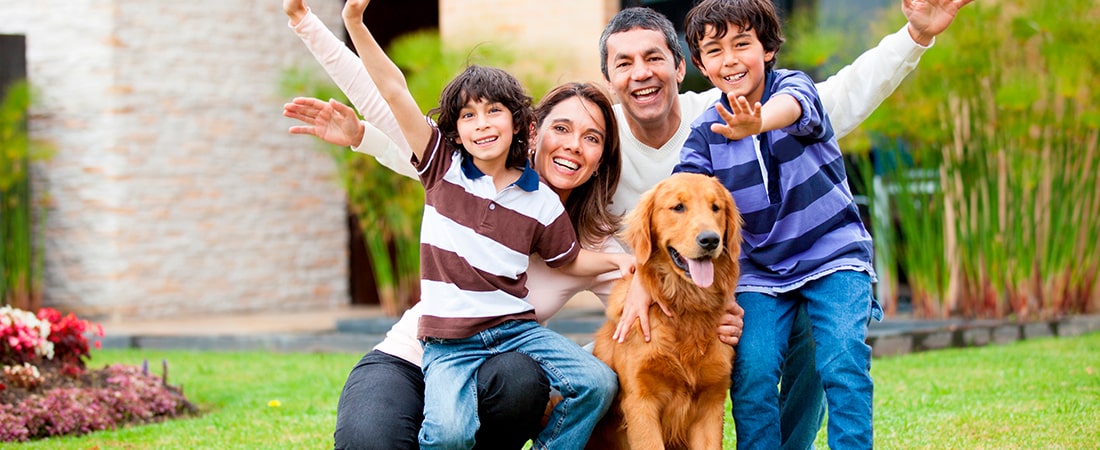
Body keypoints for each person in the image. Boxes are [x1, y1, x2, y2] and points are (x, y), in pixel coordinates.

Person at [284, 0, 970, 447]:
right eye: (622, 64)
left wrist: (913, 36)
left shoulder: (699, 132)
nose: (572, 148)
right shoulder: (500, 173)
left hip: (499, 363)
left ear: (681, 67)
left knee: (543, 382)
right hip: (417, 353)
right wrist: (320, 40)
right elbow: (406, 125)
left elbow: (835, 99)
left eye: (589, 140)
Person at [338, 1, 636, 448]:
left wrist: (629, 265)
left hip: (515, 331)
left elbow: (571, 260)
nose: (482, 124)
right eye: (469, 116)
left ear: (519, 124)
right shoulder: (442, 166)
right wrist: (354, 25)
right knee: (449, 434)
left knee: (597, 382)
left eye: (494, 111)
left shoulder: (539, 199)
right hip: (447, 341)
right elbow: (394, 93)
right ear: (454, 131)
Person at [673, 0, 879, 447]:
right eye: (714, 50)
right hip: (759, 272)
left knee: (842, 358)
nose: (729, 59)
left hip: (833, 252)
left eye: (742, 44)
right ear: (702, 66)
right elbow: (681, 197)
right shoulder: (705, 133)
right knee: (755, 373)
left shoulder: (792, 88)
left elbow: (792, 107)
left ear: (767, 49)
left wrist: (758, 121)